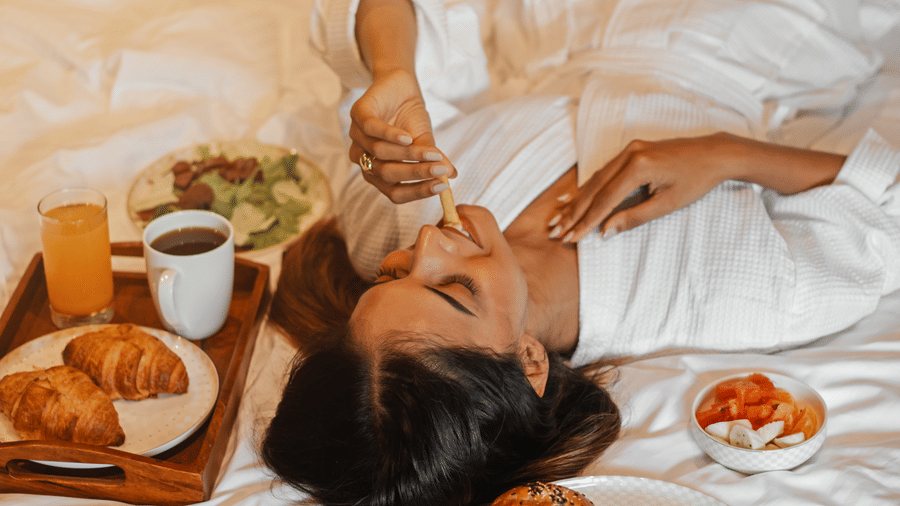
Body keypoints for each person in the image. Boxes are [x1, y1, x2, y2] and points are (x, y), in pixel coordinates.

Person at [261, 0, 900, 505]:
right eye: (453, 289)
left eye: (391, 276)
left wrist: (389, 75)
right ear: (529, 360)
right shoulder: (729, 294)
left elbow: (380, 36)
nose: (425, 243)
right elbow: (888, 196)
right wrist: (728, 154)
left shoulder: (387, 215)